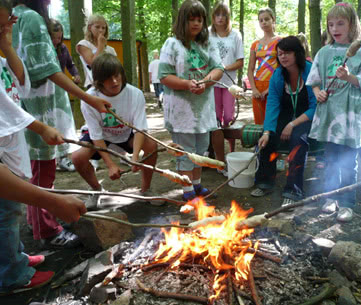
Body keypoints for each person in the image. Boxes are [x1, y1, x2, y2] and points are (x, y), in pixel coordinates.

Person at [0, 1, 86, 293]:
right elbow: (9, 109)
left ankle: (15, 257)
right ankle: (12, 274)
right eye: (0, 27)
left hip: (11, 146)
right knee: (5, 214)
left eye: (6, 24)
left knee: (9, 212)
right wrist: (41, 127)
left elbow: (20, 85)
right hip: (11, 144)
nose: (7, 29)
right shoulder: (33, 19)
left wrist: (7, 44)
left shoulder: (1, 59)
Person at [12, 0, 111, 249]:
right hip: (42, 107)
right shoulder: (32, 19)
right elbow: (46, 70)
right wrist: (88, 97)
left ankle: (40, 222)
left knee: (39, 171)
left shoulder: (16, 16)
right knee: (43, 173)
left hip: (29, 104)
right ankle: (46, 230)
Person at [306, 2, 361, 222]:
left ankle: (348, 203)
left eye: (340, 23)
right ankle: (331, 198)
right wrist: (318, 93)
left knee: (348, 160)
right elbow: (314, 81)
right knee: (329, 158)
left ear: (352, 25)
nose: (334, 28)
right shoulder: (325, 52)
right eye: (330, 24)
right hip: (329, 115)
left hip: (349, 115)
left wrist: (349, 77)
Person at [71, 53, 164, 209]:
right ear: (99, 81)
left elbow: (140, 128)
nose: (114, 81)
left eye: (116, 76)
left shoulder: (135, 94)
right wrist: (111, 165)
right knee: (77, 157)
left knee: (151, 146)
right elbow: (96, 135)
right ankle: (96, 190)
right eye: (108, 78)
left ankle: (146, 190)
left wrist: (134, 158)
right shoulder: (89, 98)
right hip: (101, 137)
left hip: (127, 134)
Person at [159, 0, 223, 201]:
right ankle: (187, 191)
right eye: (191, 19)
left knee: (201, 149)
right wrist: (187, 84)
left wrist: (204, 81)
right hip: (181, 110)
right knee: (186, 152)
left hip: (203, 109)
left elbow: (218, 69)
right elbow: (164, 76)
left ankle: (196, 185)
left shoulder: (208, 43)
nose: (196, 23)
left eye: (200, 19)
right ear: (182, 21)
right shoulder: (172, 44)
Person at [251, 36, 316, 207]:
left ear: (298, 54)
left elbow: (315, 106)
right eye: (280, 54)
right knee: (267, 139)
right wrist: (267, 131)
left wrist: (292, 124)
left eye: (287, 53)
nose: (283, 57)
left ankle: (294, 189)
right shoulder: (278, 75)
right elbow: (272, 104)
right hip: (285, 116)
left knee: (298, 140)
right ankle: (265, 181)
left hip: (307, 117)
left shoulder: (310, 71)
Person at [209, 1, 244, 176]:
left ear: (228, 17)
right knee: (214, 121)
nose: (220, 18)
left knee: (229, 119)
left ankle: (231, 155)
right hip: (211, 83)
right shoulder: (207, 33)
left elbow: (240, 61)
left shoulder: (235, 34)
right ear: (213, 16)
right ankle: (217, 158)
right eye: (217, 15)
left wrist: (224, 68)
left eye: (223, 15)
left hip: (229, 83)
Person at [50, 18, 81, 172]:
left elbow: (70, 65)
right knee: (51, 122)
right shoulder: (44, 48)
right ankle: (51, 158)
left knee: (63, 121)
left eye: (59, 37)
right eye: (54, 37)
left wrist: (75, 75)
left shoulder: (63, 49)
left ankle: (63, 158)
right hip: (47, 90)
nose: (57, 40)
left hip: (60, 89)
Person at [247, 7, 281, 125]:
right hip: (258, 86)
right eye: (261, 20)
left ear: (273, 20)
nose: (264, 22)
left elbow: (283, 68)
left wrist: (270, 88)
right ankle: (260, 143)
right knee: (259, 121)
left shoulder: (280, 41)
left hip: (274, 84)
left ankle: (273, 143)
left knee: (273, 119)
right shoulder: (255, 45)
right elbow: (250, 69)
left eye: (267, 19)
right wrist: (254, 89)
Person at [76, 14, 117, 89]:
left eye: (103, 28)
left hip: (111, 84)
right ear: (89, 27)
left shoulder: (111, 50)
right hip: (93, 84)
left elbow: (116, 69)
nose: (101, 30)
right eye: (97, 27)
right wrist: (100, 46)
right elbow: (94, 64)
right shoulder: (83, 44)